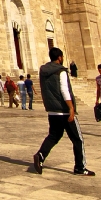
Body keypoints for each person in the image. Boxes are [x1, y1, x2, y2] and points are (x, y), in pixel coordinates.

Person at [33, 47, 93, 176]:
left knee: (54, 136)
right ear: (60, 57)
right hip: (64, 111)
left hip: (52, 111)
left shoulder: (44, 71)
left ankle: (40, 155)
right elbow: (64, 90)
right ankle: (80, 167)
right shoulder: (61, 71)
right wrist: (71, 108)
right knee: (78, 139)